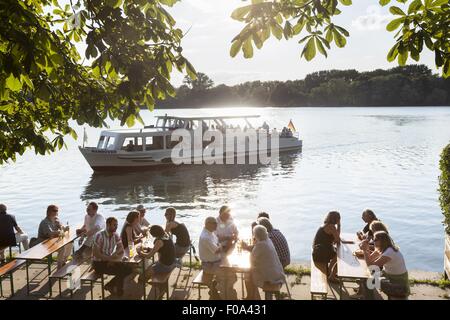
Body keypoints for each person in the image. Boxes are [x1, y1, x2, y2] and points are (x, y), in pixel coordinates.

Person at [360, 231, 410, 299]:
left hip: (399, 286)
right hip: (390, 279)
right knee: (367, 276)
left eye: (375, 240)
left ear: (382, 241)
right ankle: (363, 294)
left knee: (368, 281)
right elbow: (370, 259)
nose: (373, 241)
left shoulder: (389, 252)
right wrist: (366, 249)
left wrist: (365, 250)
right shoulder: (384, 249)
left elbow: (371, 266)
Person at [92, 217, 133, 297]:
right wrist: (110, 259)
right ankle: (119, 292)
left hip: (108, 260)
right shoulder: (99, 235)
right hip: (98, 263)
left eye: (117, 225)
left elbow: (120, 248)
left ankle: (110, 285)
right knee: (120, 270)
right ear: (108, 225)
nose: (116, 227)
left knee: (128, 269)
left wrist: (114, 256)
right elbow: (96, 254)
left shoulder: (115, 235)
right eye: (114, 225)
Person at [198, 216, 236, 299]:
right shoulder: (206, 237)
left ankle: (217, 288)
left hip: (215, 261)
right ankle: (224, 294)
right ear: (208, 224)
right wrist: (230, 245)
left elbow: (218, 241)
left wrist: (228, 239)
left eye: (217, 223)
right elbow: (217, 250)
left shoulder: (210, 232)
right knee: (230, 272)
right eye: (215, 224)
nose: (217, 225)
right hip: (209, 265)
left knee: (232, 267)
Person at [243, 225, 285, 300]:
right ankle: (254, 297)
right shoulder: (268, 241)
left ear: (256, 235)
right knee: (251, 274)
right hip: (278, 275)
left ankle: (251, 297)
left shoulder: (260, 246)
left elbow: (252, 260)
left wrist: (248, 247)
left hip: (270, 279)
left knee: (247, 276)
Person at [37, 205, 73, 269]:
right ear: (49, 212)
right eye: (54, 210)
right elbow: (50, 234)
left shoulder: (56, 220)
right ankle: (59, 267)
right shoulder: (45, 222)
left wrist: (64, 227)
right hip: (44, 243)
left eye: (57, 211)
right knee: (62, 248)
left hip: (52, 241)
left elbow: (62, 229)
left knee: (70, 243)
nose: (56, 212)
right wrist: (59, 232)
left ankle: (63, 261)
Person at [312, 211, 340, 281]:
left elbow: (336, 237)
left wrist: (338, 226)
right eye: (339, 218)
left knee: (336, 253)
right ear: (336, 219)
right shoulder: (331, 227)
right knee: (340, 256)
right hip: (320, 253)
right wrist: (339, 225)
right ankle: (331, 274)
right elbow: (338, 239)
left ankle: (330, 271)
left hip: (317, 251)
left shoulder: (326, 225)